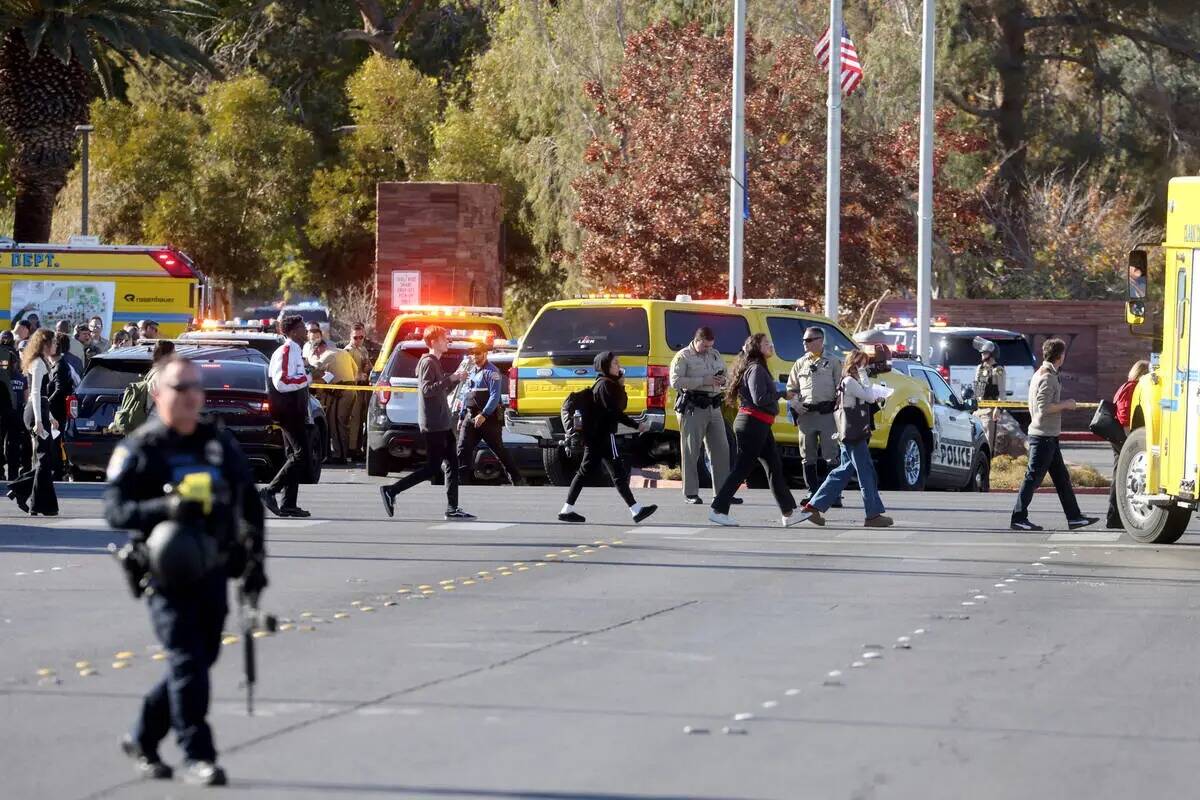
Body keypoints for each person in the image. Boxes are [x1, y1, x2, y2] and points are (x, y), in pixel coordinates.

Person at [104, 357, 267, 786]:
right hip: (165, 573)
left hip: (213, 567)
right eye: (180, 388)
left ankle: (142, 737)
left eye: (196, 387)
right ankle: (198, 754)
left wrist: (256, 563)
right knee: (186, 659)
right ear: (158, 395)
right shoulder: (141, 448)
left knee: (200, 658)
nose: (191, 395)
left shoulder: (217, 444)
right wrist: (165, 508)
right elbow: (115, 510)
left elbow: (250, 502)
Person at [709, 334, 806, 527]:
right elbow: (759, 398)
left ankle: (789, 513)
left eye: (770, 342)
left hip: (760, 424)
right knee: (742, 469)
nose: (771, 346)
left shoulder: (758, 367)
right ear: (756, 348)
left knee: (774, 467)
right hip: (752, 424)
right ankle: (718, 509)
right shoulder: (756, 369)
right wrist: (782, 394)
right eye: (766, 344)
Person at [379, 326, 475, 520]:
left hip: (442, 422)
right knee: (433, 467)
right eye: (443, 338)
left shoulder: (435, 363)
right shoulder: (428, 363)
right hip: (433, 424)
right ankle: (392, 490)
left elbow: (441, 392)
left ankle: (452, 507)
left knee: (452, 464)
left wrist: (456, 379)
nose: (447, 341)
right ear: (433, 342)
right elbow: (427, 390)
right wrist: (452, 378)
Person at [558, 351, 658, 524]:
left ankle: (567, 509)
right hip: (603, 436)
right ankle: (636, 510)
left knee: (585, 472)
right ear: (605, 366)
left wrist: (620, 385)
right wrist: (636, 425)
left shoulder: (604, 384)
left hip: (594, 436)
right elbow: (616, 411)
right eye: (615, 364)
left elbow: (618, 406)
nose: (619, 367)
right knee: (617, 473)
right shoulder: (606, 385)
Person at [1010, 338, 1099, 532]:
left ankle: (1074, 517)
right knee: (1032, 477)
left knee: (1061, 478)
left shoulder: (1043, 373)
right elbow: (1043, 407)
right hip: (1042, 436)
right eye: (1064, 353)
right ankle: (1018, 517)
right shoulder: (1047, 376)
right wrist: (1066, 404)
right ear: (1060, 356)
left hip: (1048, 435)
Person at [801, 349, 893, 527]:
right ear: (855, 364)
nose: (865, 366)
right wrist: (863, 374)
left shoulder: (849, 381)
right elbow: (868, 396)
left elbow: (866, 395)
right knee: (866, 472)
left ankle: (814, 506)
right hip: (854, 434)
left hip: (849, 433)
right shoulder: (850, 381)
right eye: (863, 363)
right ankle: (872, 515)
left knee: (842, 471)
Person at [669, 327, 735, 505]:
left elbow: (725, 375)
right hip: (693, 407)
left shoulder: (714, 354)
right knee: (691, 451)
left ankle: (722, 492)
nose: (708, 348)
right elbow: (675, 381)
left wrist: (723, 381)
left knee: (721, 449)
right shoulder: (683, 356)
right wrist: (702, 381)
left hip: (713, 406)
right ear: (696, 340)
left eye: (710, 345)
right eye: (705, 345)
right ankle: (690, 493)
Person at [260, 315, 312, 518]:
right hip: (288, 411)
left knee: (294, 456)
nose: (305, 331)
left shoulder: (297, 351)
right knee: (302, 455)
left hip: (295, 409)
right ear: (291, 332)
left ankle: (289, 504)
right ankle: (269, 491)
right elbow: (282, 382)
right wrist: (307, 378)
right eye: (301, 328)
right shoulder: (287, 350)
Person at [786, 326, 843, 507]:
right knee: (807, 455)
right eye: (804, 340)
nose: (805, 343)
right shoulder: (800, 363)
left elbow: (841, 388)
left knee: (830, 455)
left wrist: (838, 411)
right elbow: (791, 389)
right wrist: (796, 404)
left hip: (826, 414)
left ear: (820, 340)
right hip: (806, 415)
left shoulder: (833, 362)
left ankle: (833, 494)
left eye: (809, 340)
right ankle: (812, 492)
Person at [456, 342, 526, 486]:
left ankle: (517, 479)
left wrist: (484, 414)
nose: (475, 356)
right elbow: (466, 394)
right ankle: (460, 482)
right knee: (462, 449)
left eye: (478, 353)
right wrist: (462, 415)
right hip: (470, 417)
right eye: (473, 353)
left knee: (499, 450)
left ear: (485, 353)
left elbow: (495, 396)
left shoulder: (492, 372)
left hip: (488, 420)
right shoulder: (471, 371)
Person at [6, 329, 59, 515]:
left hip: (41, 410)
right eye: (53, 342)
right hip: (35, 412)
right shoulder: (38, 363)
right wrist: (39, 420)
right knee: (44, 458)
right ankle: (31, 499)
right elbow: (35, 393)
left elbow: (42, 396)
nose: (55, 345)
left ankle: (21, 491)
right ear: (44, 343)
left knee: (44, 459)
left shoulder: (42, 362)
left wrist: (50, 417)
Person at [1106, 359, 1151, 528]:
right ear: (1142, 374)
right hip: (1124, 437)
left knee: (1120, 475)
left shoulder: (1128, 386)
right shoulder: (1132, 388)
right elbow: (1124, 417)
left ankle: (1114, 517)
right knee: (1121, 476)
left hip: (1124, 437)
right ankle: (1114, 517)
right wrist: (1130, 440)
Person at [308, 327, 357, 464]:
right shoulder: (342, 352)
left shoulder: (326, 355)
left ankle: (339, 455)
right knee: (343, 423)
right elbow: (356, 370)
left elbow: (314, 369)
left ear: (318, 349)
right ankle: (341, 453)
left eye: (316, 352)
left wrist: (311, 358)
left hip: (341, 392)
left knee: (337, 423)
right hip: (350, 390)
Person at [343, 322, 372, 459]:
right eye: (355, 337)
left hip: (362, 389)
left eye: (361, 337)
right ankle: (352, 448)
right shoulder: (347, 351)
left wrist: (368, 369)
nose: (359, 340)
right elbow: (345, 372)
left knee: (361, 420)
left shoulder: (363, 350)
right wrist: (361, 375)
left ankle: (358, 447)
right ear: (350, 336)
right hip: (353, 389)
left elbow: (368, 366)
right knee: (353, 420)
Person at [0, 330, 26, 481]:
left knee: (6, 441)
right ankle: (13, 474)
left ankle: (2, 472)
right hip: (15, 409)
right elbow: (25, 394)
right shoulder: (18, 370)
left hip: (4, 409)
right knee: (13, 443)